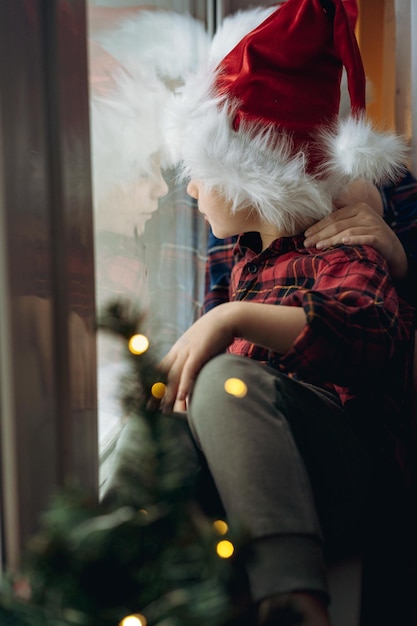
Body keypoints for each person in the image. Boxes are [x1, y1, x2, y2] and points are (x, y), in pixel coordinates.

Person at [157, 1, 416, 625]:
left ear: (251, 174)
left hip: (349, 475)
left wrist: (230, 322)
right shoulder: (238, 262)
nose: (190, 190)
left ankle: (293, 601)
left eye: (201, 173)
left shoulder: (345, 243)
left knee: (226, 381)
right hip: (268, 480)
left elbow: (373, 331)